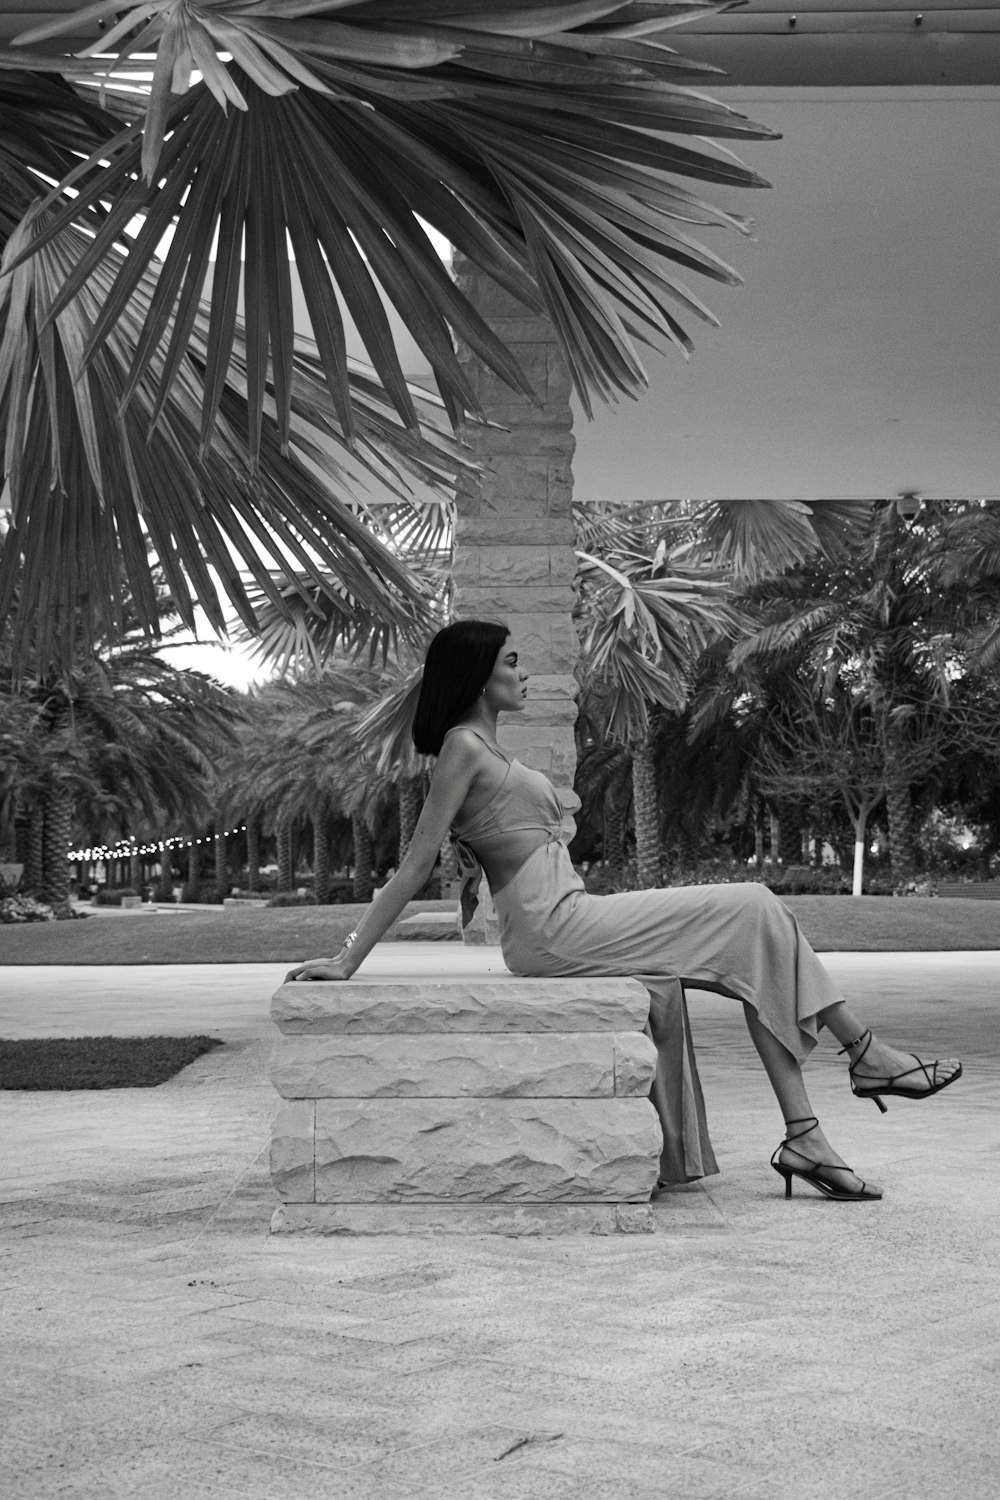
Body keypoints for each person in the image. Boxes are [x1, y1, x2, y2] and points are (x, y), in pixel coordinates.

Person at [286, 620, 962, 1201]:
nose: (524, 673)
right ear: (476, 675)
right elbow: (413, 864)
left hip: (568, 913)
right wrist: (348, 958)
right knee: (753, 906)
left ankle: (807, 1136)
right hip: (552, 928)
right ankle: (866, 1056)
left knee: (753, 941)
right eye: (511, 663)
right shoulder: (462, 748)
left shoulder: (488, 747)